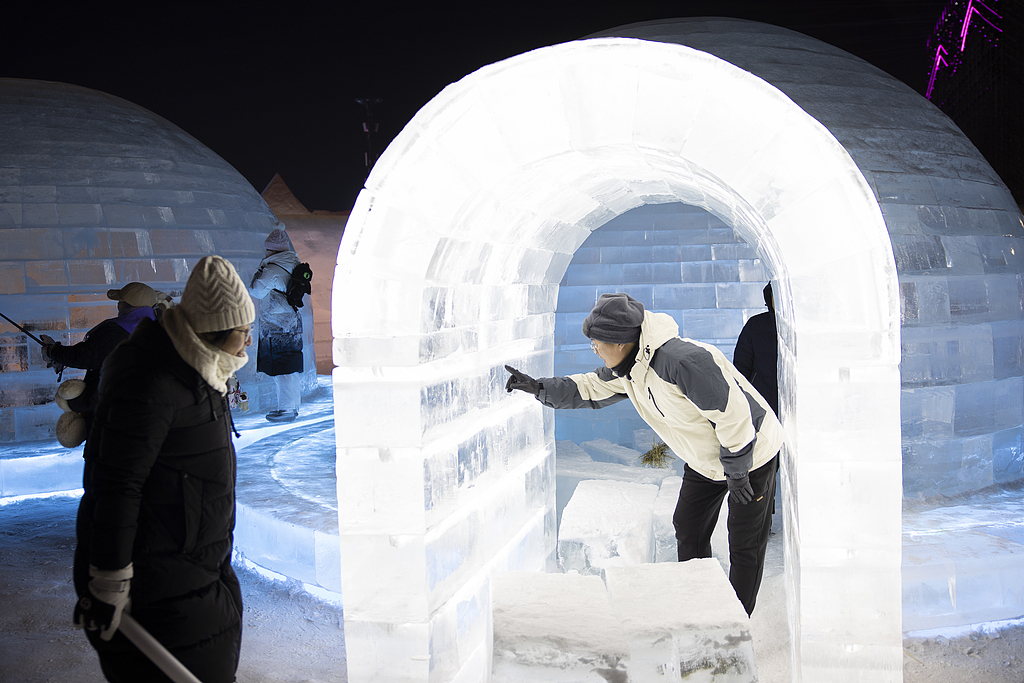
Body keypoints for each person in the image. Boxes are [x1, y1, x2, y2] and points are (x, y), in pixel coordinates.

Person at [505, 293, 784, 616]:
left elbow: (732, 414)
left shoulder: (682, 361)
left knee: (744, 542)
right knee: (688, 526)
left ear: (619, 342)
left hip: (750, 451)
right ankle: (701, 605)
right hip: (705, 459)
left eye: (596, 343)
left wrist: (737, 470)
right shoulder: (631, 368)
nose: (593, 349)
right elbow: (591, 386)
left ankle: (736, 625)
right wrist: (540, 388)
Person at [73, 255, 253, 683]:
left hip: (196, 565)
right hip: (159, 578)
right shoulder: (154, 382)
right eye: (243, 333)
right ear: (213, 333)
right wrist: (111, 579)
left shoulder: (199, 368)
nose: (248, 343)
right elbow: (115, 484)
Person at [41, 283, 161, 447]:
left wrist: (52, 352)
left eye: (120, 301)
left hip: (111, 431)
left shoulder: (117, 332)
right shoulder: (159, 330)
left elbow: (86, 356)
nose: (118, 305)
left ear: (127, 305)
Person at [249, 227, 303, 422]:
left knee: (281, 368)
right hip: (292, 321)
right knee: (290, 365)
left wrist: (259, 271)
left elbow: (256, 291)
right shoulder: (293, 263)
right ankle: (293, 406)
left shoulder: (272, 269)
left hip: (276, 323)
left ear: (271, 250)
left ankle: (286, 410)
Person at [733, 282, 779, 417]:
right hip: (760, 397)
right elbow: (741, 365)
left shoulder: (797, 329)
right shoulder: (756, 325)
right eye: (774, 296)